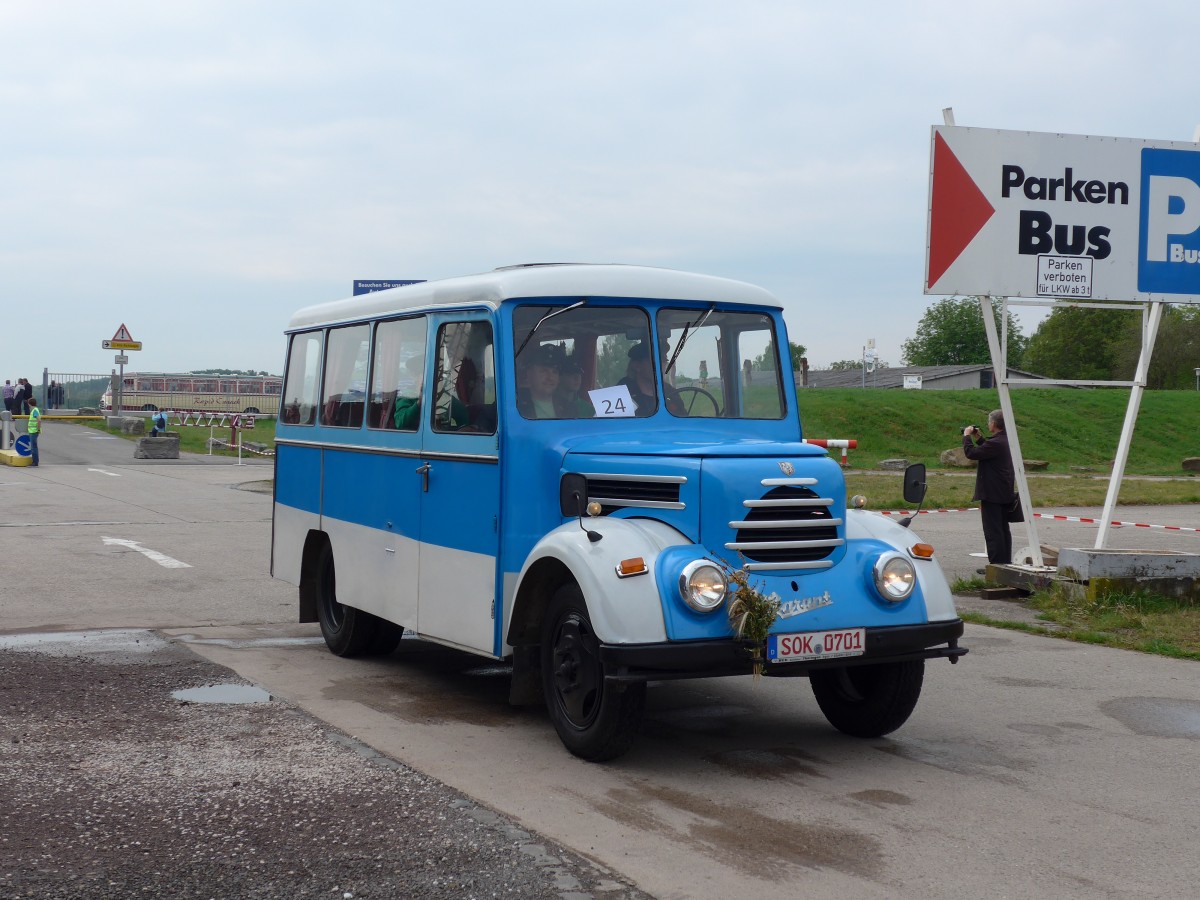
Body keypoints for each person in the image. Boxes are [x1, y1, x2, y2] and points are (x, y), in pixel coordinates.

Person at [963, 409, 1015, 565]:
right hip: (1003, 491)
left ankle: (996, 566)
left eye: (989, 422)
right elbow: (988, 450)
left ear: (993, 424)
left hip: (992, 493)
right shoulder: (1006, 440)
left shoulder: (997, 442)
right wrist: (978, 438)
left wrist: (966, 436)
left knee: (993, 532)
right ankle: (1004, 563)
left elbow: (971, 453)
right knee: (1002, 529)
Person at [619, 342, 685, 416]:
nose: (660, 365)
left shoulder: (671, 393)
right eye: (654, 361)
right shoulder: (622, 394)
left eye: (663, 361)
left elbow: (684, 421)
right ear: (637, 366)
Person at [516, 345, 568, 419]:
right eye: (544, 371)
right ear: (529, 374)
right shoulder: (516, 406)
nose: (550, 377)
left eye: (554, 372)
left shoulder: (569, 407)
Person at [26, 395, 41, 466]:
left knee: (33, 447)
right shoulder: (34, 410)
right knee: (33, 447)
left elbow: (39, 420)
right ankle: (35, 461)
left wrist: (38, 429)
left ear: (30, 403)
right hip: (32, 431)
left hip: (34, 431)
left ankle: (35, 462)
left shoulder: (34, 410)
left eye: (28, 403)